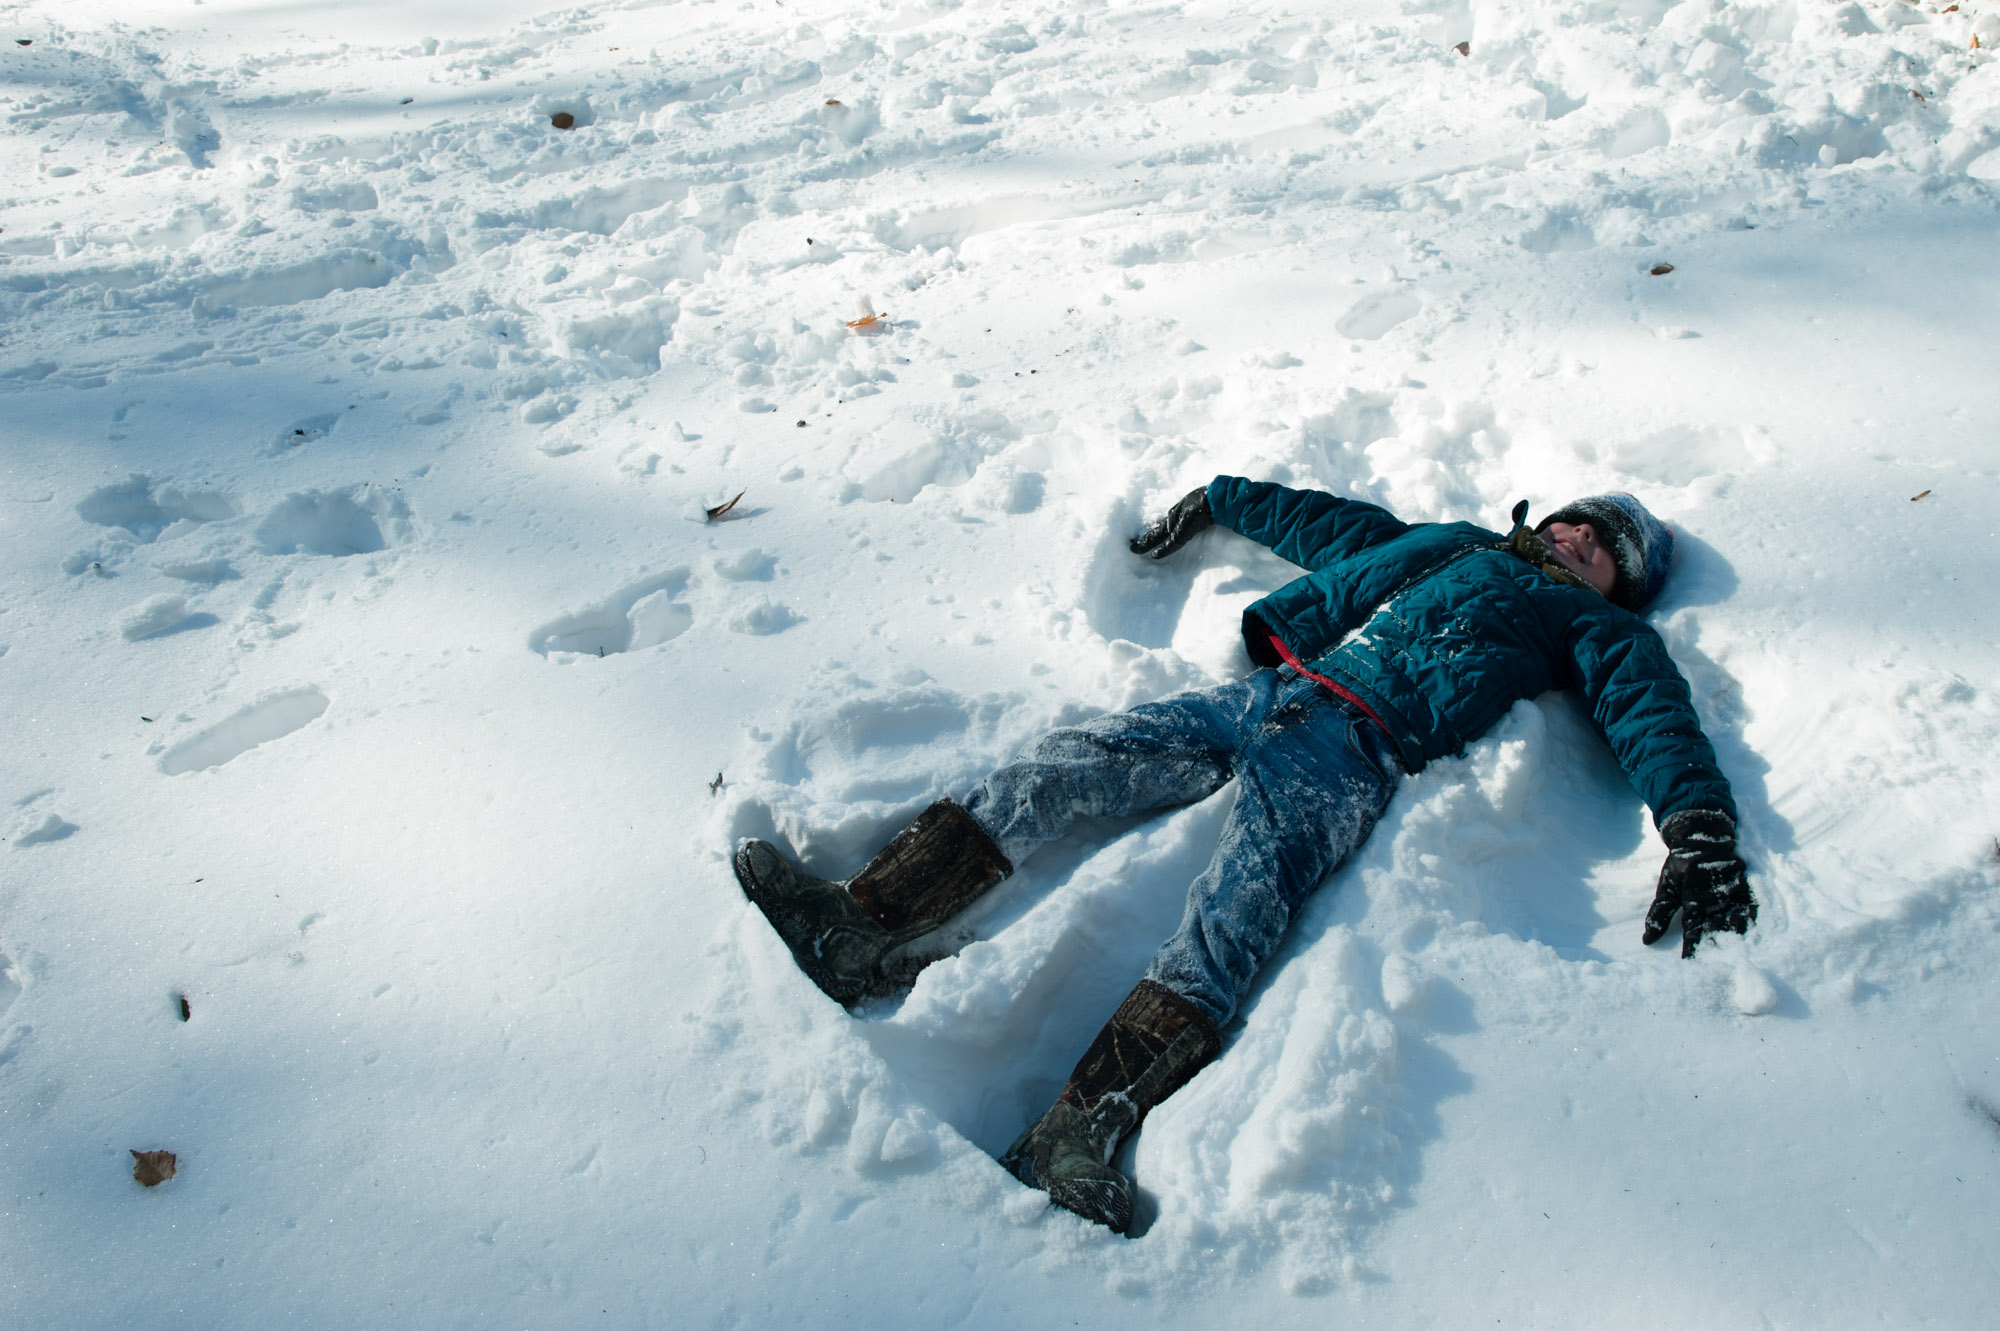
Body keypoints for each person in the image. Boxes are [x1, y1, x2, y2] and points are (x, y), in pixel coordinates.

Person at [733, 477, 1756, 1233]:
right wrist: (1221, 496)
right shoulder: (1445, 541)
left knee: (1235, 913)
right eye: (1578, 518)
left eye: (1603, 547)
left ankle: (1077, 1130)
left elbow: (1648, 714)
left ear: (1614, 587)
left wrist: (1696, 823)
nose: (1579, 536)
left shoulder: (1589, 627)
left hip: (1354, 751)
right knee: (1072, 761)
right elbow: (1328, 527)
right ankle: (860, 925)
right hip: (1274, 691)